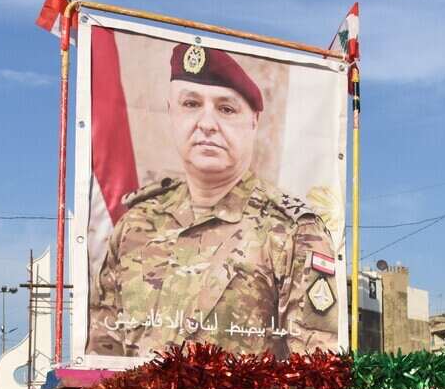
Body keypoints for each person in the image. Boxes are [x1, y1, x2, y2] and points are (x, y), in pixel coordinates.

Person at [90, 42, 340, 358]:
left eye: (225, 109)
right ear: (172, 112)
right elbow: (102, 358)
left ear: (254, 121)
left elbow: (314, 369)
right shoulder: (135, 226)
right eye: (191, 104)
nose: (206, 124)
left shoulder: (292, 231)